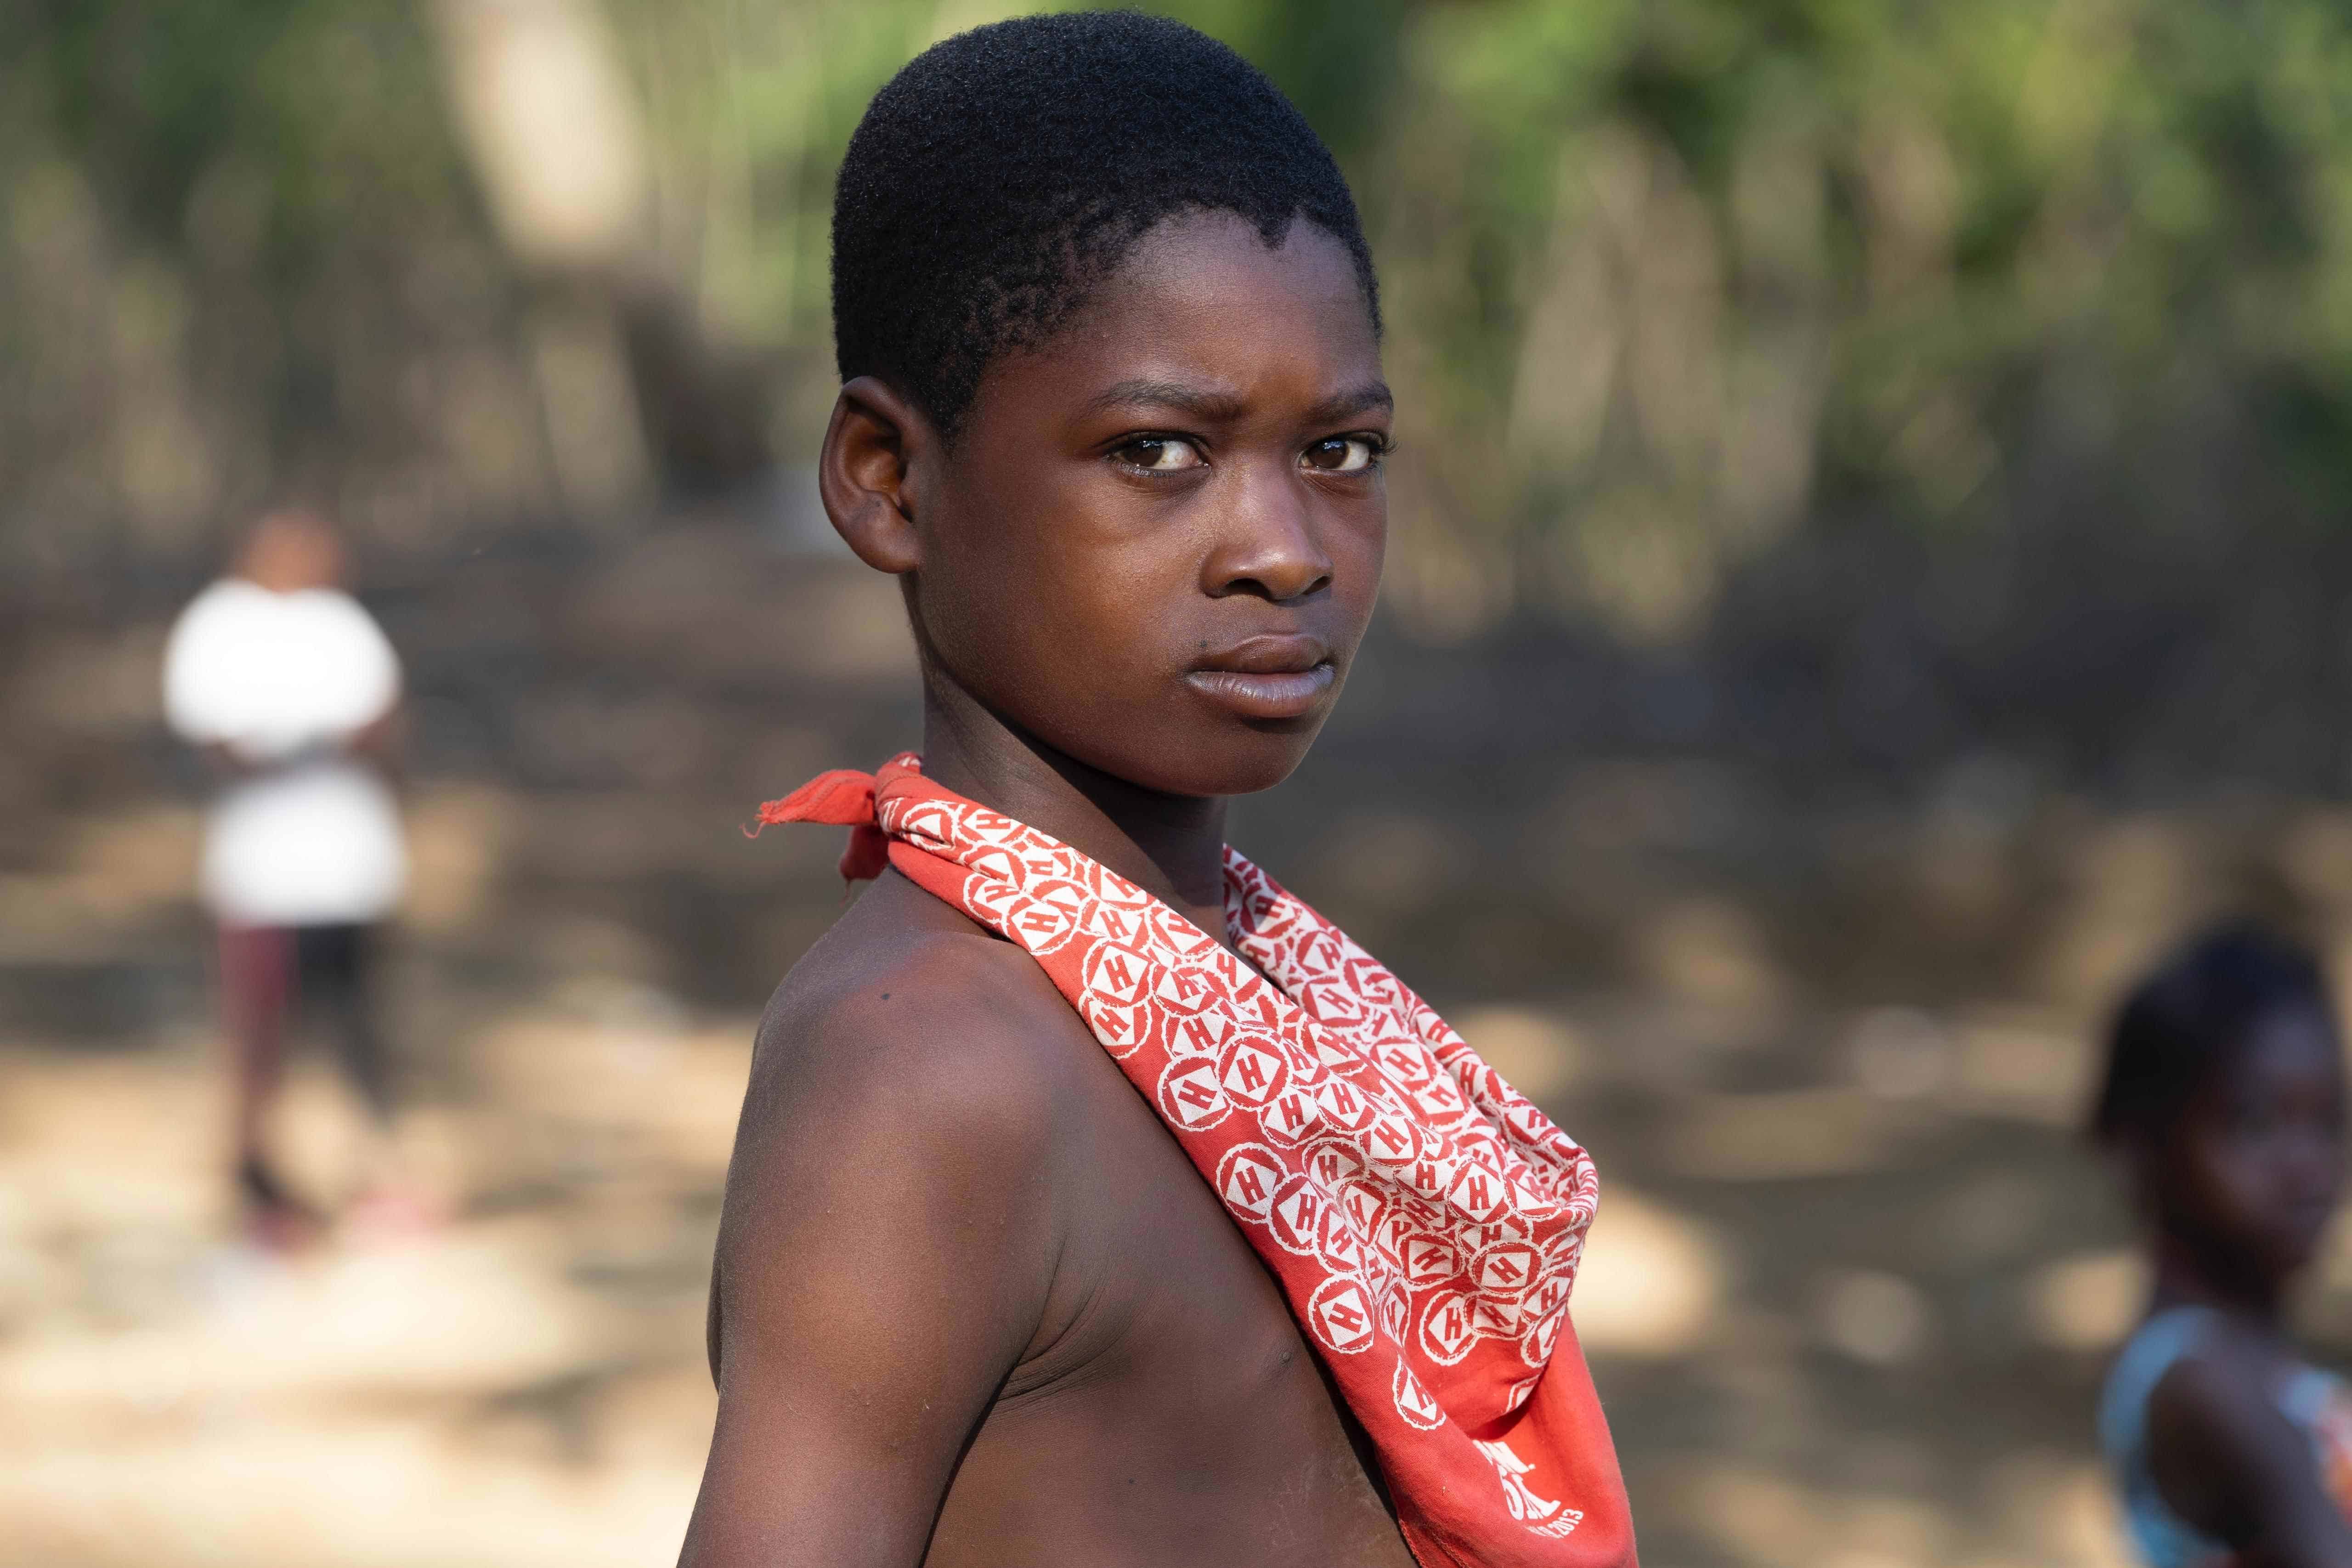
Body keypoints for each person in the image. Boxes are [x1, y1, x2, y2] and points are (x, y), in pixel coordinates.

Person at [683, 15, 1634, 1567]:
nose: (1287, 547)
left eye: (1340, 448)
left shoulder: (1267, 993)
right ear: (887, 479)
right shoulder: (930, 1064)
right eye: (1156, 451)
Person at [162, 507, 417, 1248]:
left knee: (357, 1027)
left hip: (350, 869)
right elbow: (217, 742)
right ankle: (260, 1184)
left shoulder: (342, 624)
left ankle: (375, 1175)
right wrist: (305, 753)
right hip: (263, 874)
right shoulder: (218, 627)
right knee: (261, 1038)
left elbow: (385, 724)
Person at [2094, 923, 2352, 1566]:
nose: (2309, 1168)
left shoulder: (2247, 1361)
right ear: (2143, 1145)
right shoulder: (2212, 1387)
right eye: (2256, 1123)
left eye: (2328, 1123)